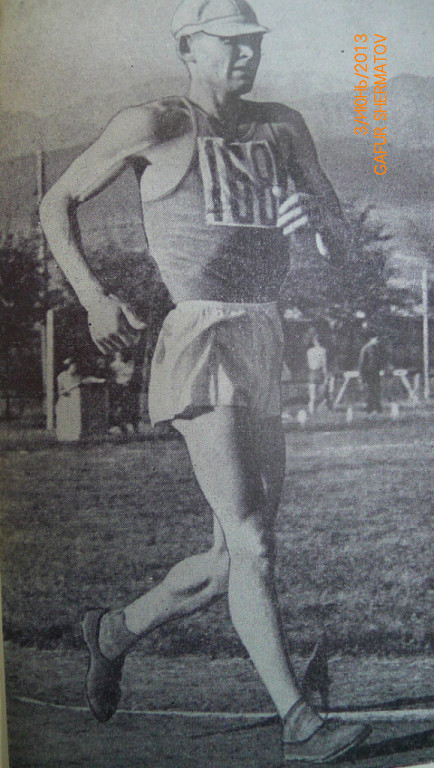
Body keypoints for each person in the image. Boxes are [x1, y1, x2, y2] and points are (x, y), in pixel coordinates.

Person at [40, 0, 371, 760]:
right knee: (252, 540)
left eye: (252, 41)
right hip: (200, 335)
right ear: (189, 47)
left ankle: (114, 631)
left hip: (264, 333)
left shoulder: (283, 126)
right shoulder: (155, 123)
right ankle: (300, 724)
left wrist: (317, 229)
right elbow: (57, 202)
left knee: (232, 560)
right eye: (229, 42)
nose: (246, 53)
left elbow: (342, 243)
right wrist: (93, 297)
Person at [358, 332, 383, 414]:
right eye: (376, 339)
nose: (377, 341)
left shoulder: (376, 348)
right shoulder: (365, 349)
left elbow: (378, 361)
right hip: (368, 373)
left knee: (376, 390)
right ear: (371, 339)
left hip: (375, 373)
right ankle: (370, 409)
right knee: (370, 391)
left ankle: (377, 408)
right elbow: (362, 363)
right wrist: (362, 376)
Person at [306, 331, 329, 414]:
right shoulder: (323, 351)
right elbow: (324, 364)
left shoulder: (309, 351)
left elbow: (309, 363)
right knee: (321, 394)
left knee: (312, 395)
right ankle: (318, 409)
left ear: (314, 342)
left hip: (312, 372)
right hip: (319, 372)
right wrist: (326, 377)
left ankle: (312, 410)